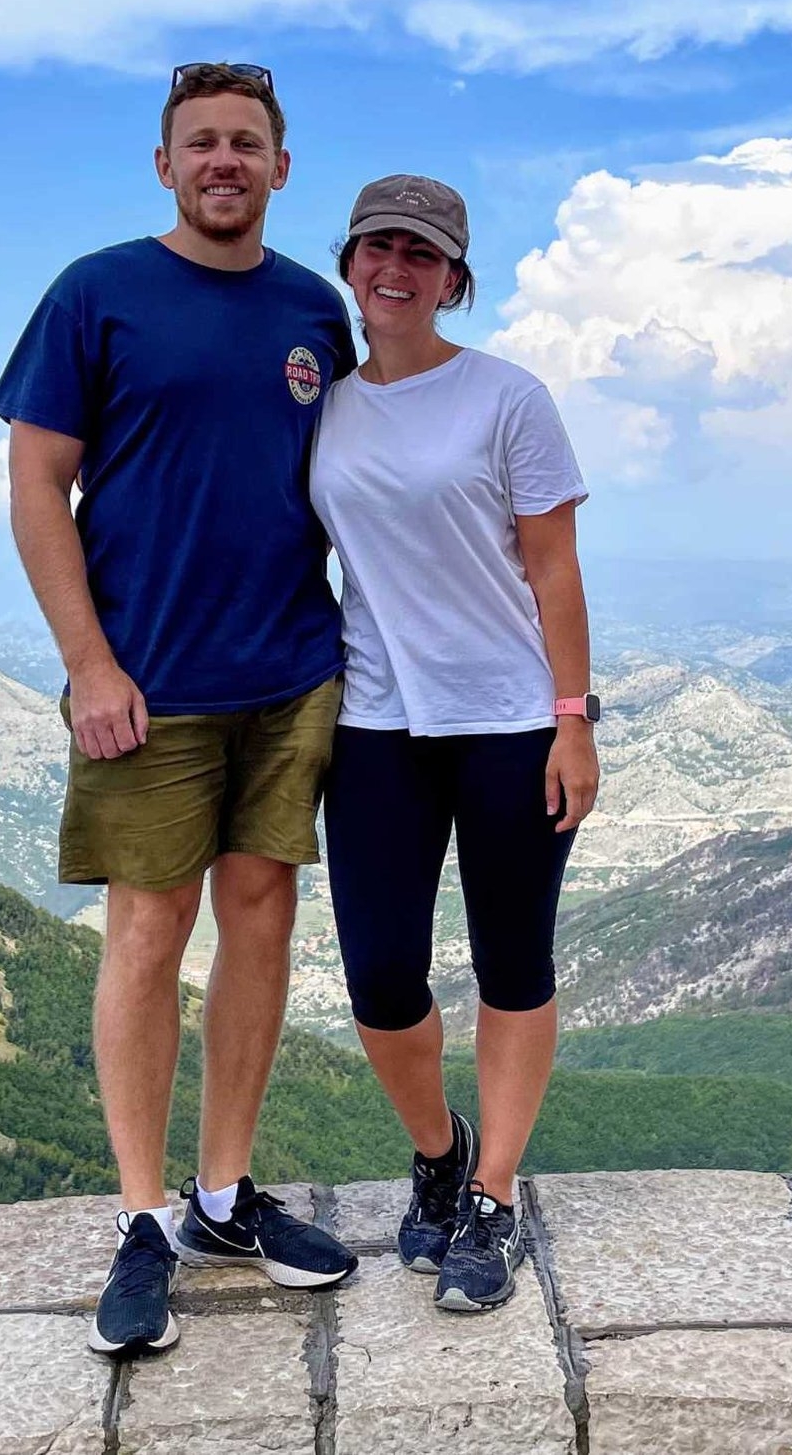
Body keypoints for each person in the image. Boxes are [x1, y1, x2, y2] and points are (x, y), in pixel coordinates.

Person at [0, 62, 358, 1358]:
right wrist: (88, 663)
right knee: (148, 935)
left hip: (292, 674)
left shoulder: (317, 310)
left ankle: (222, 1195)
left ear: (279, 166)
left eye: (246, 141)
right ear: (165, 164)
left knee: (263, 918)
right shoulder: (97, 295)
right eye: (200, 141)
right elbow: (36, 484)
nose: (223, 159)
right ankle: (143, 1215)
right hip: (145, 683)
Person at [308, 174, 599, 1314]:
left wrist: (573, 721)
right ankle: (434, 1151)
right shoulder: (321, 403)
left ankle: (490, 1194)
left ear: (453, 278)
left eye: (422, 254)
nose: (396, 267)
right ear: (350, 261)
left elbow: (555, 568)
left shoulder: (507, 399)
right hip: (375, 718)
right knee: (380, 974)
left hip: (513, 720)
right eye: (378, 244)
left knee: (512, 961)